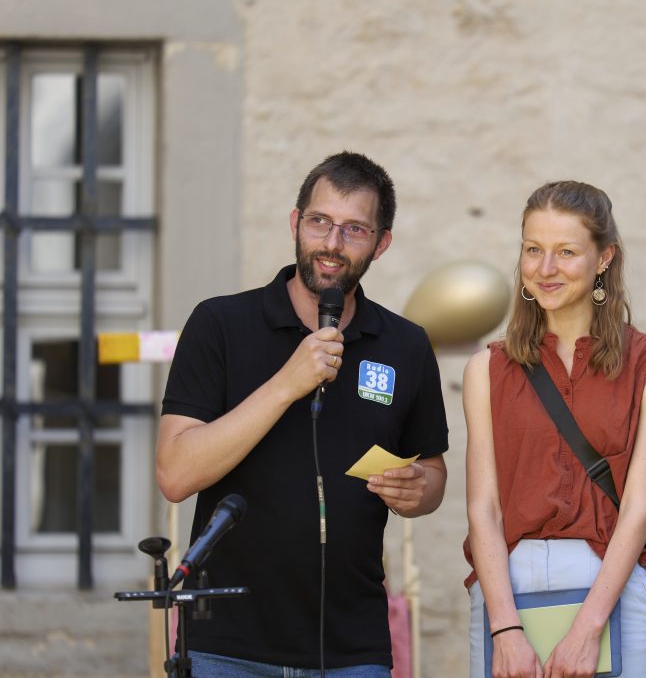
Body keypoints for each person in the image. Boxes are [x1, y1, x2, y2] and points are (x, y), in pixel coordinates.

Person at [157, 152, 448, 676]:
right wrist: (286, 385)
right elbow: (175, 474)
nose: (332, 244)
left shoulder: (406, 346)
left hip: (352, 649)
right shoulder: (220, 324)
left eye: (354, 229)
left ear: (381, 244)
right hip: (228, 643)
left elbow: (433, 471)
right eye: (320, 222)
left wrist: (418, 488)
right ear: (296, 223)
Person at [464, 181, 646, 678]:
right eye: (533, 250)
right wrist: (506, 631)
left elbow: (639, 508)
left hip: (609, 588)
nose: (545, 269)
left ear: (604, 258)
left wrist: (587, 630)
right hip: (506, 595)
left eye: (566, 252)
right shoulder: (487, 369)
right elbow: (484, 507)